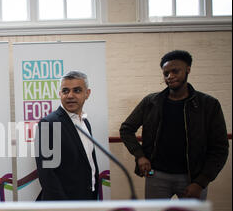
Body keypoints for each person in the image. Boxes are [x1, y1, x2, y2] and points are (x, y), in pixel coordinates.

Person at [119, 50, 229, 200]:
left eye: (175, 71)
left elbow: (220, 148)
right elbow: (126, 129)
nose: (170, 76)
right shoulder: (152, 102)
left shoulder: (208, 105)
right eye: (166, 73)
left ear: (188, 69)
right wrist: (140, 156)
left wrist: (201, 182)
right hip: (155, 175)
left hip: (193, 178)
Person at [35, 70, 99, 200]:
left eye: (77, 90)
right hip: (65, 204)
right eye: (65, 91)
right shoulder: (49, 124)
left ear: (87, 93)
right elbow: (47, 175)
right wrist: (64, 208)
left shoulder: (85, 122)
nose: (70, 95)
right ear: (59, 94)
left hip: (88, 197)